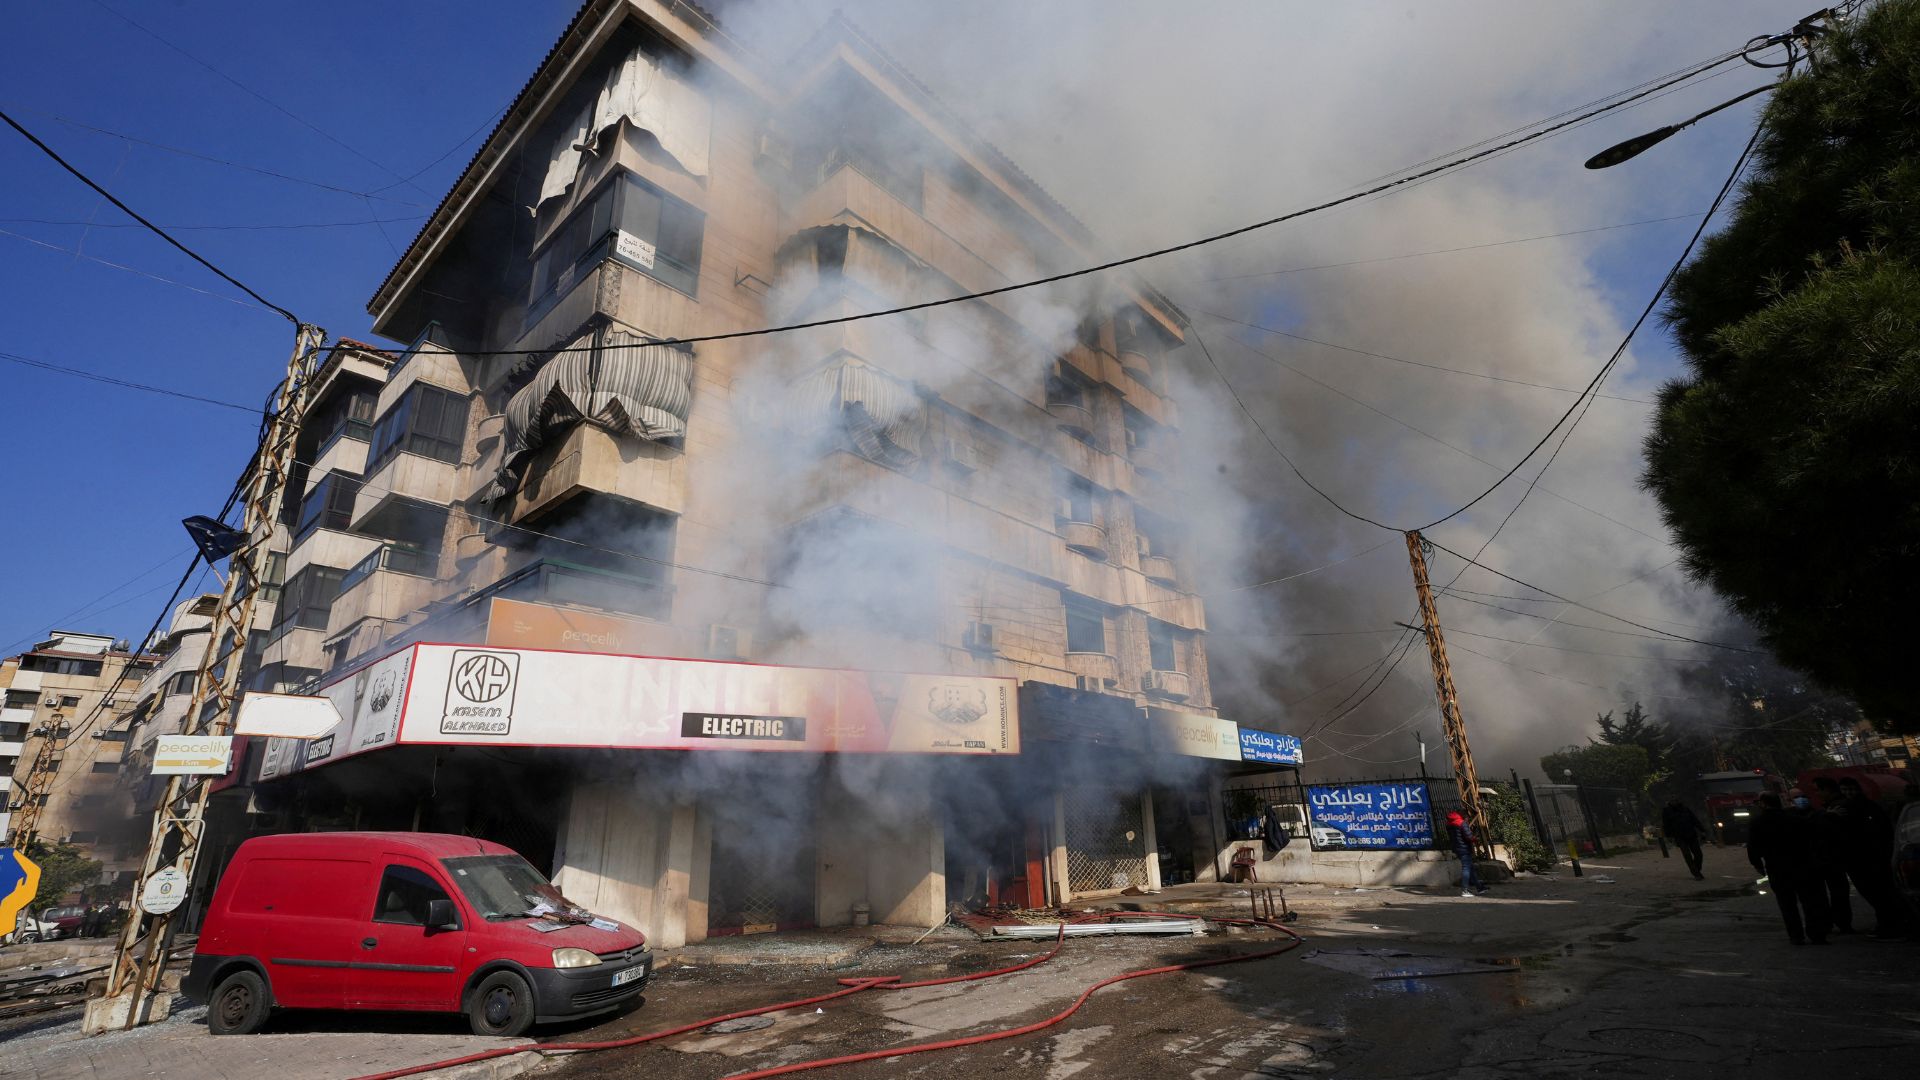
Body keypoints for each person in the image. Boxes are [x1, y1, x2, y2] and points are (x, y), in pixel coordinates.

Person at [1747, 792, 1830, 945]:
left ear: (1764, 804)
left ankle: (1796, 935)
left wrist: (1757, 864)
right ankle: (1816, 934)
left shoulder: (1757, 822)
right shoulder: (1795, 819)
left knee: (1787, 904)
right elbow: (1813, 838)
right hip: (1802, 865)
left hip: (1777, 868)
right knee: (1809, 901)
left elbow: (1753, 846)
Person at [1833, 777, 1908, 938]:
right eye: (1845, 790)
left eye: (1851, 789)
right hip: (1870, 858)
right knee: (1880, 893)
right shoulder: (1852, 807)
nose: (1848, 793)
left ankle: (1890, 926)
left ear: (1858, 789)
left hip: (1865, 859)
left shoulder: (1854, 808)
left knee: (1877, 894)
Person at [1661, 796, 1707, 880]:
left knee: (1698, 854)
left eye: (1675, 800)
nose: (1674, 801)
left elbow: (1694, 819)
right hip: (1679, 836)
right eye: (1672, 800)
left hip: (1691, 834)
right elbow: (1666, 825)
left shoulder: (1685, 809)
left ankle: (1697, 870)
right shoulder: (1667, 811)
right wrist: (1669, 836)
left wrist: (1702, 830)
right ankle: (1696, 873)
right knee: (1687, 855)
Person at [1445, 811, 1487, 897]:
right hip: (1464, 848)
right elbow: (1468, 836)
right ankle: (1465, 890)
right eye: (1468, 818)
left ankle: (1479, 887)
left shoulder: (1449, 824)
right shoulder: (1461, 823)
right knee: (1466, 869)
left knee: (1470, 868)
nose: (1468, 820)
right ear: (1465, 817)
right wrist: (1475, 839)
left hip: (1456, 848)